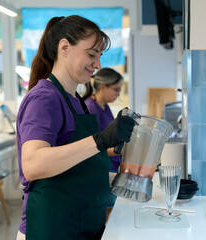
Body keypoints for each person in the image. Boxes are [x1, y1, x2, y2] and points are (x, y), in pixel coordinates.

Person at [15, 15, 136, 240]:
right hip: (49, 229)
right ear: (64, 48)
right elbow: (33, 164)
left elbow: (77, 171)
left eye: (99, 56)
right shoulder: (45, 98)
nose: (98, 64)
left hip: (78, 225)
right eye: (91, 54)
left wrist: (122, 180)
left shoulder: (76, 100)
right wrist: (100, 140)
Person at [82, 68, 124, 221]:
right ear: (102, 87)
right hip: (101, 170)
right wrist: (120, 150)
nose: (118, 94)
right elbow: (91, 150)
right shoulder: (90, 109)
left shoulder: (104, 107)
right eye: (116, 90)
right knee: (105, 219)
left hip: (110, 167)